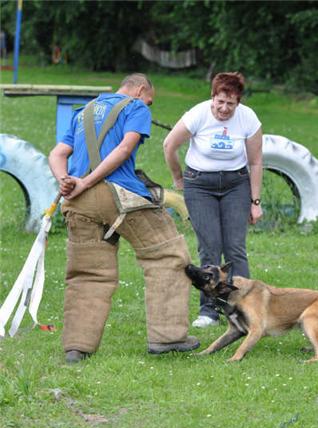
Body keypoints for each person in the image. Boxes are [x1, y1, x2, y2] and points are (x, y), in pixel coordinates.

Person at [48, 73, 199, 363]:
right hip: (118, 195)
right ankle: (168, 338)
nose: (149, 105)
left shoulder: (84, 112)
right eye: (150, 100)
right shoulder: (135, 107)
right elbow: (124, 148)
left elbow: (57, 154)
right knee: (168, 254)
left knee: (87, 274)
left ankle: (77, 347)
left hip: (78, 201)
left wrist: (67, 180)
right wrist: (89, 181)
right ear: (140, 90)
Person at [163, 72, 263, 328]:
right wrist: (178, 179)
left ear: (238, 103)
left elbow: (255, 162)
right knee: (210, 246)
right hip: (200, 185)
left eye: (230, 103)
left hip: (235, 184)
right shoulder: (197, 114)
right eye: (220, 101)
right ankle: (209, 310)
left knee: (235, 248)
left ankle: (245, 307)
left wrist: (255, 202)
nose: (224, 108)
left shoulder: (248, 119)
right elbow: (169, 145)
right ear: (213, 97)